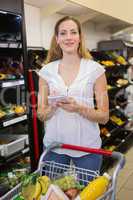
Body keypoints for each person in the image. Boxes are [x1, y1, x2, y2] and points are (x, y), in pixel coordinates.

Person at [37, 16, 109, 176]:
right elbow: (41, 115)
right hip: (55, 147)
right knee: (53, 193)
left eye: (73, 32)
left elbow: (104, 117)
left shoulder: (95, 70)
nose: (68, 37)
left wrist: (78, 108)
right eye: (63, 33)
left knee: (86, 194)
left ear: (80, 37)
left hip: (87, 148)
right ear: (57, 39)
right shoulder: (46, 72)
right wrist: (53, 107)